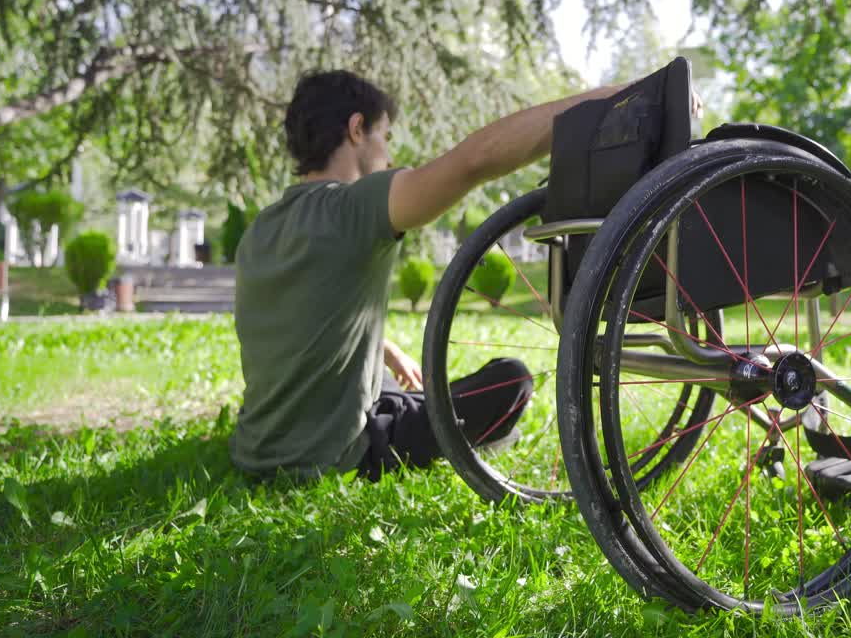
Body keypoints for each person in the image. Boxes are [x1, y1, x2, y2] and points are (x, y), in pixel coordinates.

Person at [229, 70, 628, 482]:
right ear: (356, 128)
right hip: (339, 454)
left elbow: (305, 310)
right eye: (385, 136)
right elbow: (474, 160)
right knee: (512, 379)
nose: (387, 154)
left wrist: (387, 350)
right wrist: (602, 101)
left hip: (256, 449)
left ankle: (401, 399)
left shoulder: (263, 227)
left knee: (389, 383)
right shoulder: (353, 208)